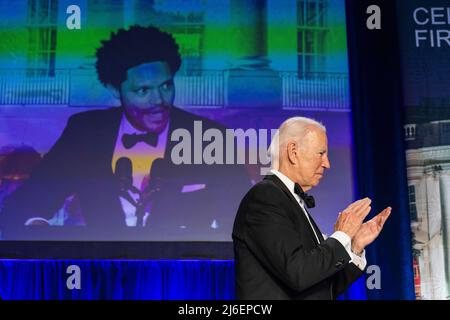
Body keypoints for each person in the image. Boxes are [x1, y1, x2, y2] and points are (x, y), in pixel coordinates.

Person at [0, 25, 250, 240]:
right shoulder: (84, 134)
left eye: (166, 86)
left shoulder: (210, 138)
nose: (159, 100)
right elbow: (24, 207)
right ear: (113, 89)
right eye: (142, 91)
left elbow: (246, 227)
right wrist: (37, 234)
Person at [232, 117, 391, 299]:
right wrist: (342, 235)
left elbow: (322, 285)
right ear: (293, 152)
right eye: (321, 153)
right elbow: (298, 273)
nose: (327, 163)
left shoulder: (288, 200)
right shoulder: (265, 197)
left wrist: (354, 247)